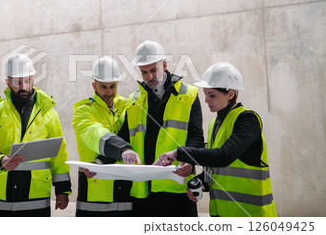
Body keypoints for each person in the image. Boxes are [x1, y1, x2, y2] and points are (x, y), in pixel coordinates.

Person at [155, 62, 277, 217]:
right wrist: (201, 182)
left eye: (212, 95)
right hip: (221, 215)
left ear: (231, 94)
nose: (206, 100)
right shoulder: (214, 124)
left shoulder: (247, 120)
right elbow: (216, 170)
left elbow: (224, 156)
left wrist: (178, 153)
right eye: (205, 94)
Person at [102, 40, 204, 217]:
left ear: (164, 65)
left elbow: (196, 136)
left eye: (153, 70)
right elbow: (123, 137)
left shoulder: (188, 95)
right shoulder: (134, 101)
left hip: (176, 187)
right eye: (144, 72)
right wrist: (98, 163)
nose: (150, 77)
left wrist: (190, 161)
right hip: (144, 191)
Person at [0, 53, 72, 217]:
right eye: (17, 82)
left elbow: (58, 155)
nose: (23, 86)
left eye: (27, 80)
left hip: (36, 199)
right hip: (0, 201)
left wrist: (62, 189)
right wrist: (0, 161)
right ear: (8, 81)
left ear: (33, 78)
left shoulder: (49, 114)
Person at [72, 57, 139, 217]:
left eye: (112, 86)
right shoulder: (84, 111)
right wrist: (122, 148)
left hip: (125, 188)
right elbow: (95, 133)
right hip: (95, 190)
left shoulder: (127, 106)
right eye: (103, 87)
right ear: (94, 85)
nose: (109, 92)